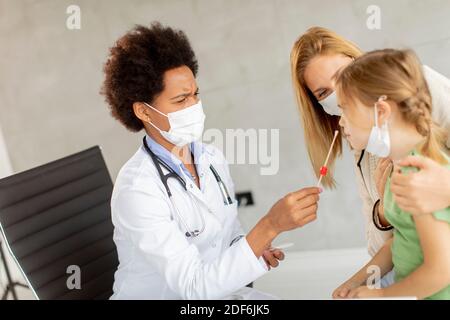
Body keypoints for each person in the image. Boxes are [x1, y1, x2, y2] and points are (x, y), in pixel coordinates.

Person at [101, 22, 321, 300]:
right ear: (144, 111)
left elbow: (227, 236)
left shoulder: (210, 158)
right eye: (181, 100)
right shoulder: (138, 189)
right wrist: (270, 225)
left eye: (195, 94)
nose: (193, 106)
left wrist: (254, 247)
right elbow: (194, 287)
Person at [290, 27, 450, 270]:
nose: (338, 92)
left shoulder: (420, 86)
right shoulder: (363, 150)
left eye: (342, 75)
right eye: (323, 93)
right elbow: (377, 249)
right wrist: (383, 213)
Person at [332, 49, 450, 299]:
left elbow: (441, 271)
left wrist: (383, 295)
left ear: (381, 111)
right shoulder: (398, 165)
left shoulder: (419, 175)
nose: (341, 122)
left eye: (345, 109)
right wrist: (355, 281)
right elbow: (403, 238)